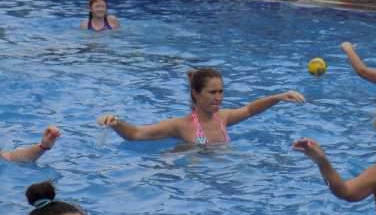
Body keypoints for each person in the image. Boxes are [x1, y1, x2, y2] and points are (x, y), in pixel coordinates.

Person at [96, 68, 305, 143]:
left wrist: (278, 97)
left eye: (221, 92)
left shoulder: (223, 118)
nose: (218, 98)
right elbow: (137, 134)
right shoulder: (181, 125)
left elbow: (250, 109)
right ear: (195, 94)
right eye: (212, 93)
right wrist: (116, 122)